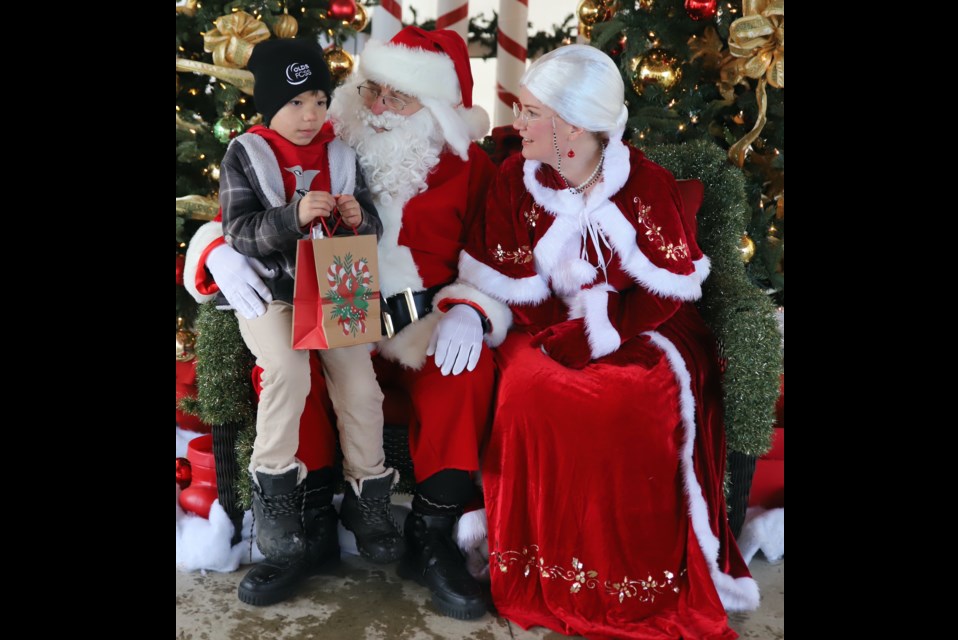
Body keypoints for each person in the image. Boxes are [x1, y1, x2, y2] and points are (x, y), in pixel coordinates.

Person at [442, 44, 760, 638]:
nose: (517, 123)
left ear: (573, 125)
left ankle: (628, 578)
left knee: (630, 397)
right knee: (530, 390)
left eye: (532, 112)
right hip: (540, 325)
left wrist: (601, 333)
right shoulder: (516, 179)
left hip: (646, 325)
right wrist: (482, 314)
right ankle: (541, 568)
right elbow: (499, 275)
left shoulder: (647, 185)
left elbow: (670, 288)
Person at [184, 27, 498, 619]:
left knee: (464, 378)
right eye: (371, 89)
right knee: (292, 373)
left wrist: (473, 307)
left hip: (419, 321)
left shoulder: (470, 167)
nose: (378, 108)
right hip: (328, 301)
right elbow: (236, 203)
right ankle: (309, 524)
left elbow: (495, 254)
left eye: (398, 97)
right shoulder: (323, 135)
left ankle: (433, 537)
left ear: (435, 107)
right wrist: (213, 250)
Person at [210, 38, 406, 607]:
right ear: (272, 103)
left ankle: (368, 495)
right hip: (272, 293)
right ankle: (273, 495)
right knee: (289, 372)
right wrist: (292, 216)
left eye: (320, 100)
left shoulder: (341, 153)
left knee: (360, 384)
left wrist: (356, 216)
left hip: (336, 287)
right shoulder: (246, 153)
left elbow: (371, 223)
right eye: (296, 102)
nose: (311, 114)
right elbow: (239, 231)